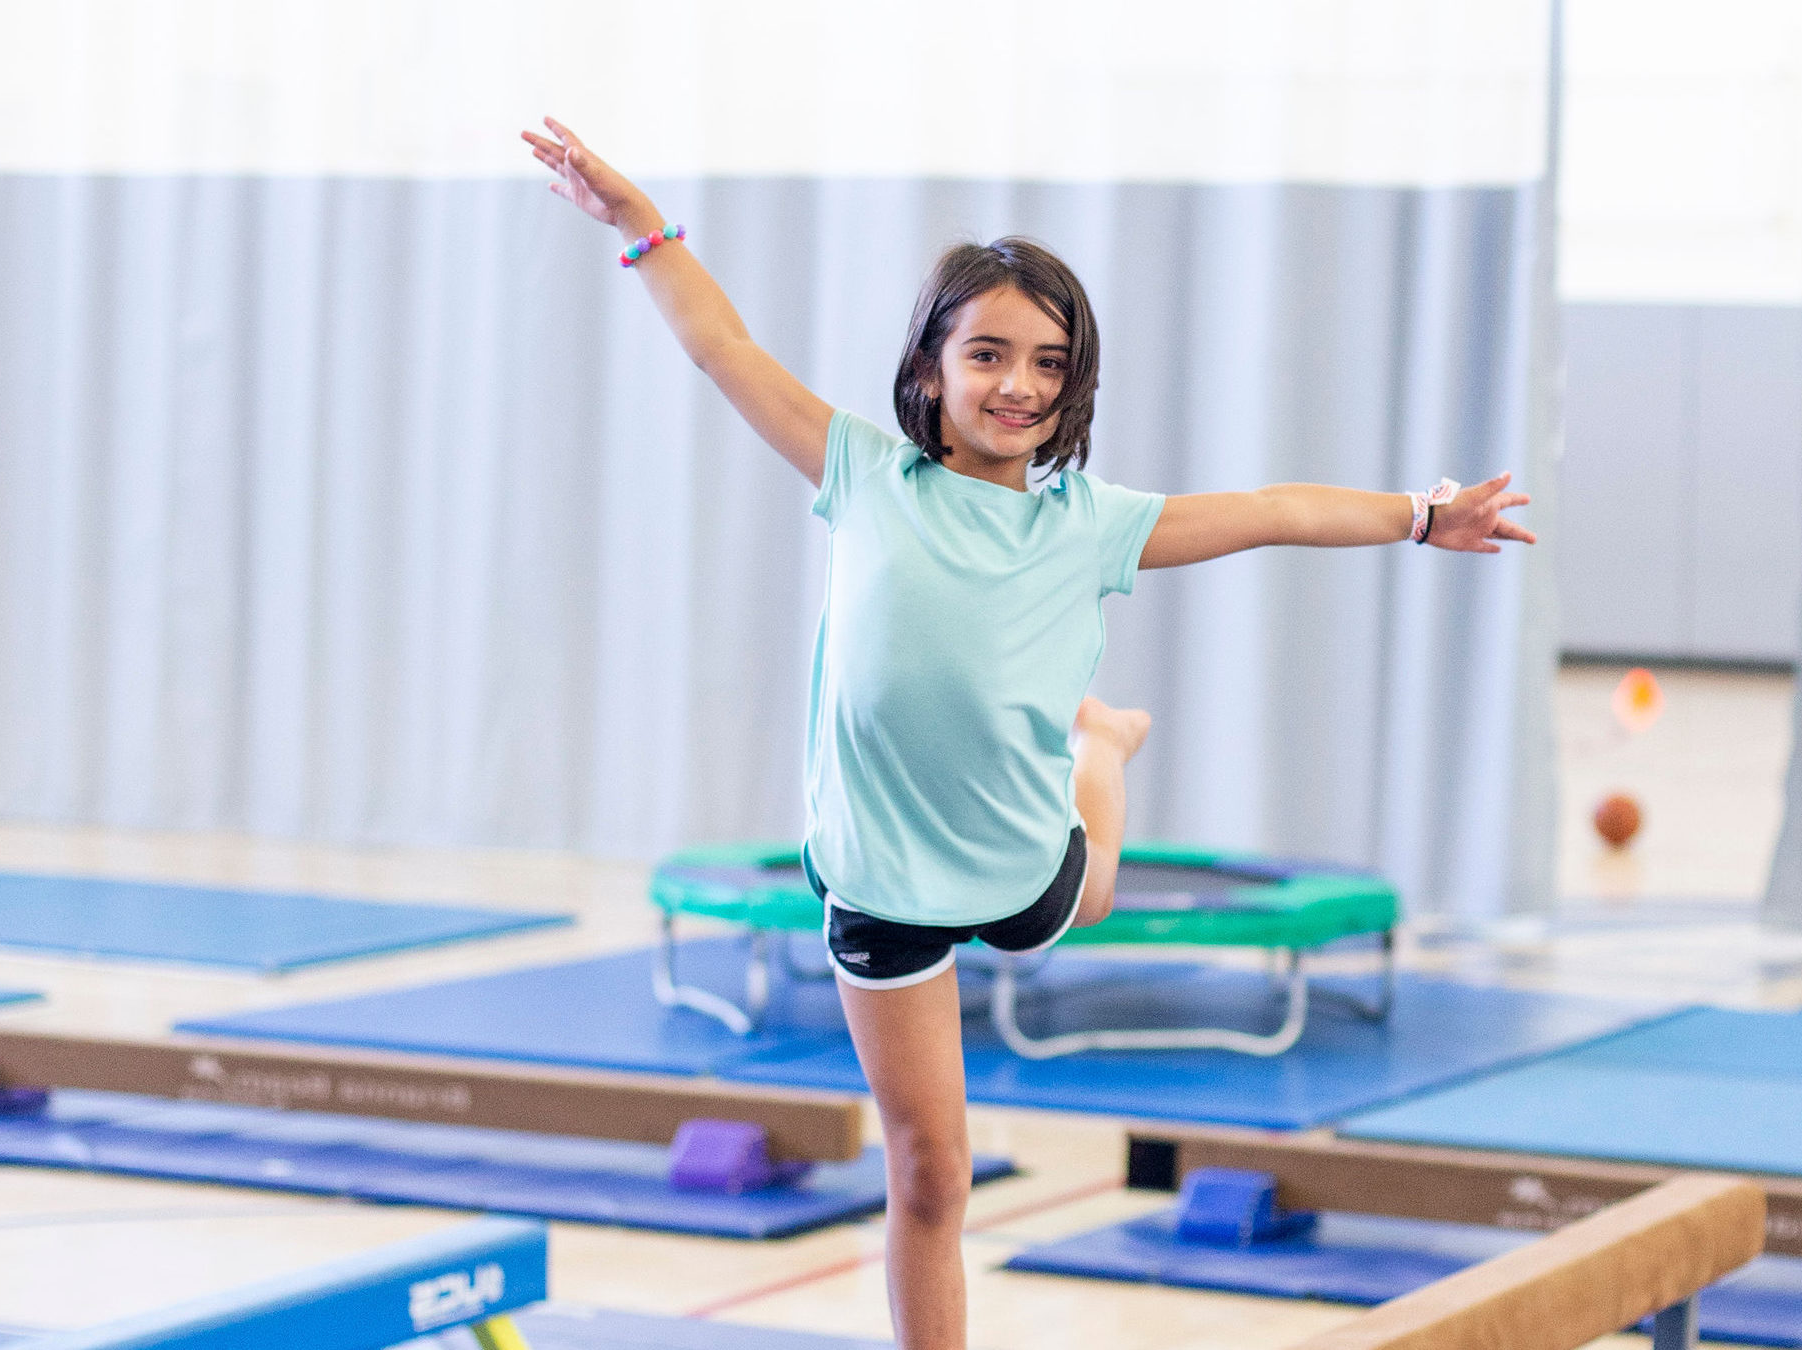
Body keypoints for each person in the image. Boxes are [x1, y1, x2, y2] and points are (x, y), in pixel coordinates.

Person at [523, 116, 1536, 1350]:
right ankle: (1095, 740)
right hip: (886, 876)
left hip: (1017, 850)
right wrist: (640, 223)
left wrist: (1422, 518)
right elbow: (720, 345)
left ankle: (1098, 748)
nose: (1018, 385)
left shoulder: (1088, 524)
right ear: (932, 370)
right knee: (931, 1171)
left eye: (1048, 364)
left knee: (1092, 888)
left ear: (1074, 387)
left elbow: (1272, 509)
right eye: (989, 353)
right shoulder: (860, 474)